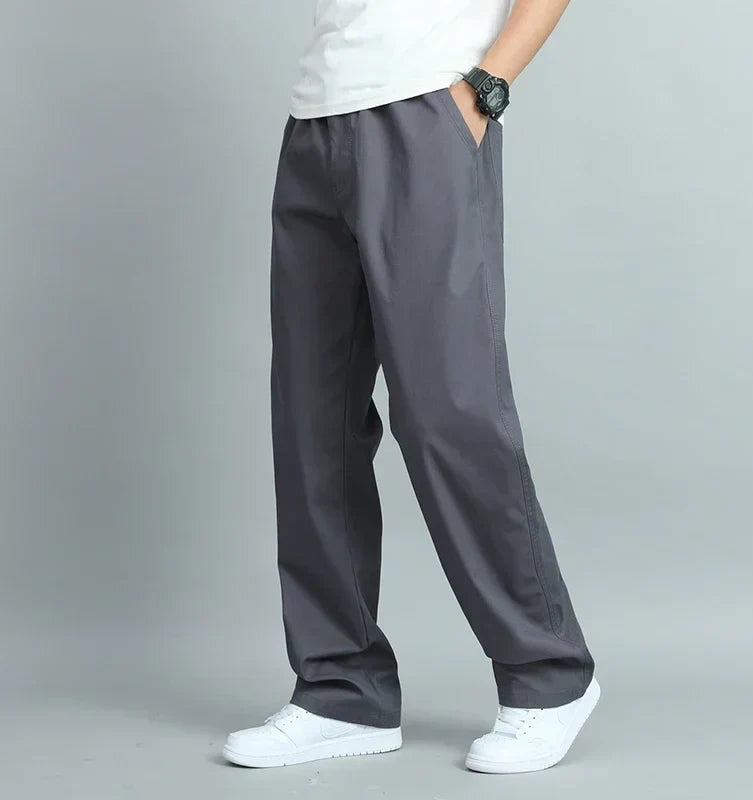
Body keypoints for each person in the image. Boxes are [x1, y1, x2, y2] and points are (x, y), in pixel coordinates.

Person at [224, 0, 598, 774]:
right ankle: (341, 688)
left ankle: (548, 676)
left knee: (447, 411)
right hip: (316, 117)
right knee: (312, 419)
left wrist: (485, 89)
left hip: (427, 110)